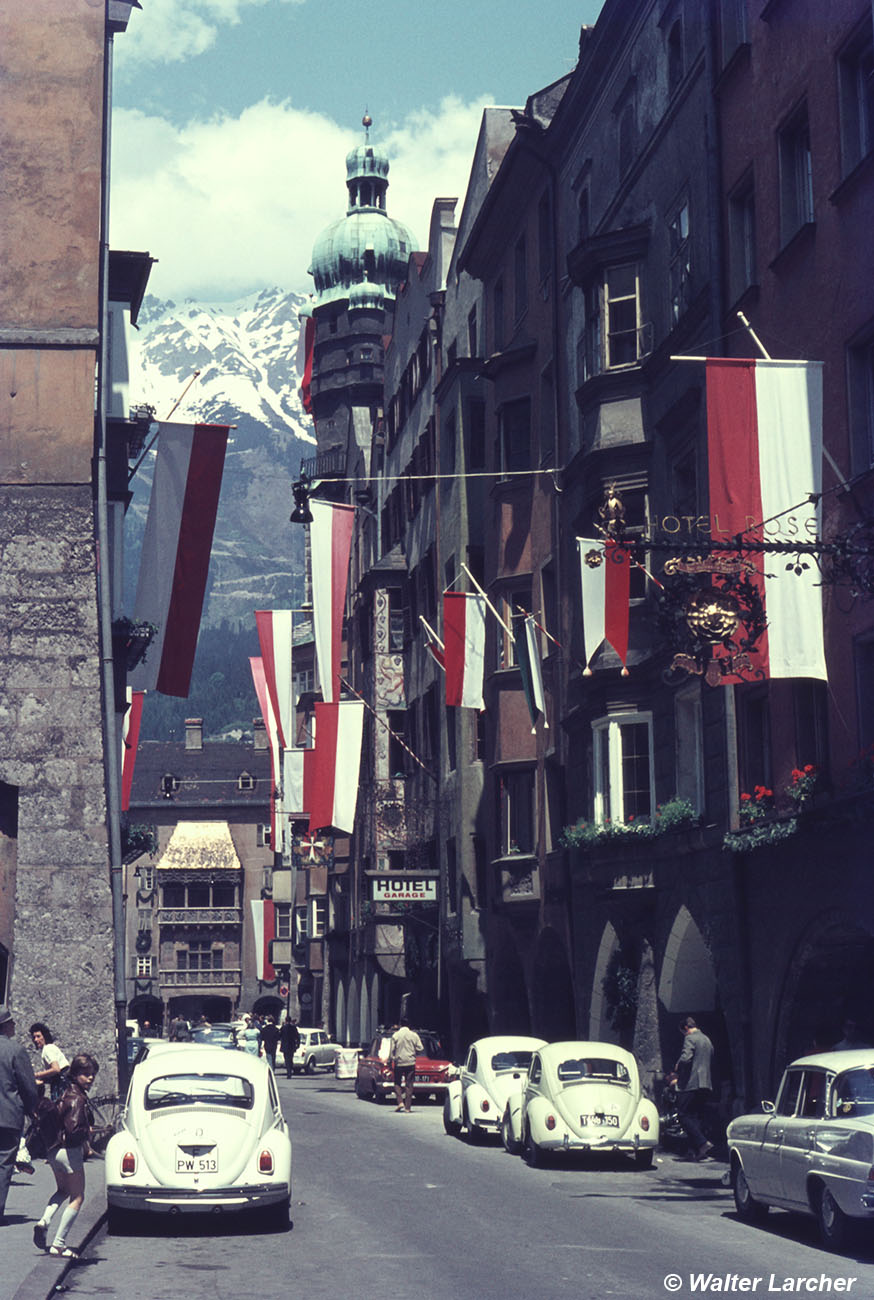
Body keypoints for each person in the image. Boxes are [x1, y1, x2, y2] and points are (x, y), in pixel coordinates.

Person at [33, 1052, 98, 1258]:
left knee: (62, 1190)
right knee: (78, 1196)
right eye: (86, 1074)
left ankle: (44, 1221)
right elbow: (74, 1130)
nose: (90, 1078)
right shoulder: (77, 1099)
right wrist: (87, 1131)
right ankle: (59, 1244)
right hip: (69, 1152)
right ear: (76, 1074)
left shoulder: (64, 1093)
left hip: (53, 1150)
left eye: (92, 1074)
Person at [0, 1004, 39, 1223]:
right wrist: (32, 1109)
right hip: (7, 1117)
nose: (15, 1025)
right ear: (5, 1026)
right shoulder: (16, 1051)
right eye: (12, 1022)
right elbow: (28, 1086)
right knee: (4, 1163)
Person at [668, 1016, 714, 1161]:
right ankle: (696, 1151)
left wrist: (677, 1067)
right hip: (706, 1083)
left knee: (682, 1114)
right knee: (695, 1117)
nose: (684, 1035)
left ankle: (702, 1143)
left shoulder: (690, 1038)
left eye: (683, 1032)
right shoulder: (707, 1039)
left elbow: (686, 1058)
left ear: (686, 1028)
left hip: (692, 1083)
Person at [390, 1019, 423, 1113]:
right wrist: (413, 1053)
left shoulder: (395, 1035)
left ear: (400, 1025)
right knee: (409, 1084)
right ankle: (408, 1108)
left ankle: (400, 1102)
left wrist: (390, 1060)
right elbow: (420, 1048)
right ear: (409, 1025)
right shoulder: (414, 1035)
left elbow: (392, 1051)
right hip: (410, 1062)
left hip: (399, 1062)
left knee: (397, 1083)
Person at [30, 1024, 70, 1101]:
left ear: (44, 1036)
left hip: (60, 1085)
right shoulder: (51, 1047)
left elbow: (56, 1069)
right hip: (64, 1082)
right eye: (34, 1037)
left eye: (38, 1036)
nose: (35, 1040)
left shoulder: (47, 1049)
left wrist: (36, 1075)